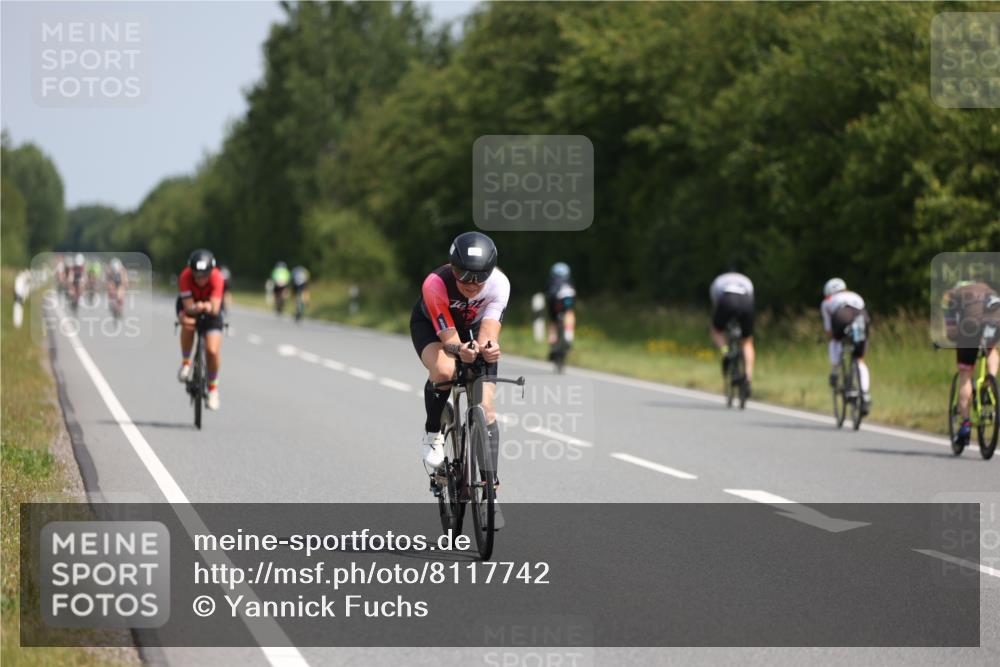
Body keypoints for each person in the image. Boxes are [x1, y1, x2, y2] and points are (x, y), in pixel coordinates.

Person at [410, 231, 508, 528]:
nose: (471, 283)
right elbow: (449, 339)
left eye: (479, 277)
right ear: (452, 267)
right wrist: (460, 350)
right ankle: (433, 433)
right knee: (444, 371)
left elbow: (488, 331)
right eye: (463, 274)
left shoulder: (500, 284)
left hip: (473, 330)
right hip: (433, 328)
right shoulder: (435, 284)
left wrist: (488, 348)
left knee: (486, 409)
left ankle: (490, 492)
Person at [942, 280, 1000, 447]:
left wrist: (955, 338)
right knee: (991, 348)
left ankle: (965, 425)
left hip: (970, 325)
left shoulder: (951, 296)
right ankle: (990, 381)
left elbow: (951, 330)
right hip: (996, 321)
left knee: (965, 374)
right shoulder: (987, 289)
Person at [176, 249, 225, 410]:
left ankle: (213, 389)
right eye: (196, 275)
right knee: (187, 324)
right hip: (190, 306)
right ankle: (186, 363)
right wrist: (198, 307)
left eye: (204, 275)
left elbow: (215, 308)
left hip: (212, 312)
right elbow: (188, 306)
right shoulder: (185, 276)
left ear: (211, 271)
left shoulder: (218, 277)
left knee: (212, 350)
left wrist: (206, 306)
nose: (200, 279)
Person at [821, 277, 872, 415]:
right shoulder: (856, 296)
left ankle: (835, 370)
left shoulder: (827, 301)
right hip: (861, 317)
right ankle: (865, 394)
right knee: (860, 359)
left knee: (835, 340)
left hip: (842, 316)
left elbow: (829, 331)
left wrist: (831, 336)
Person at [709, 270, 756, 396]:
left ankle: (726, 353)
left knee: (716, 331)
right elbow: (751, 299)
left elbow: (716, 303)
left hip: (726, 300)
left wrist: (720, 321)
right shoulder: (746, 280)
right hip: (745, 302)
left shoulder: (718, 281)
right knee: (747, 341)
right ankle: (748, 378)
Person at [545, 262, 576, 358]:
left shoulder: (551, 281)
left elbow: (546, 292)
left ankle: (552, 341)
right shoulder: (569, 281)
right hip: (567, 300)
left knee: (553, 321)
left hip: (554, 303)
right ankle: (568, 335)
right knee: (569, 313)